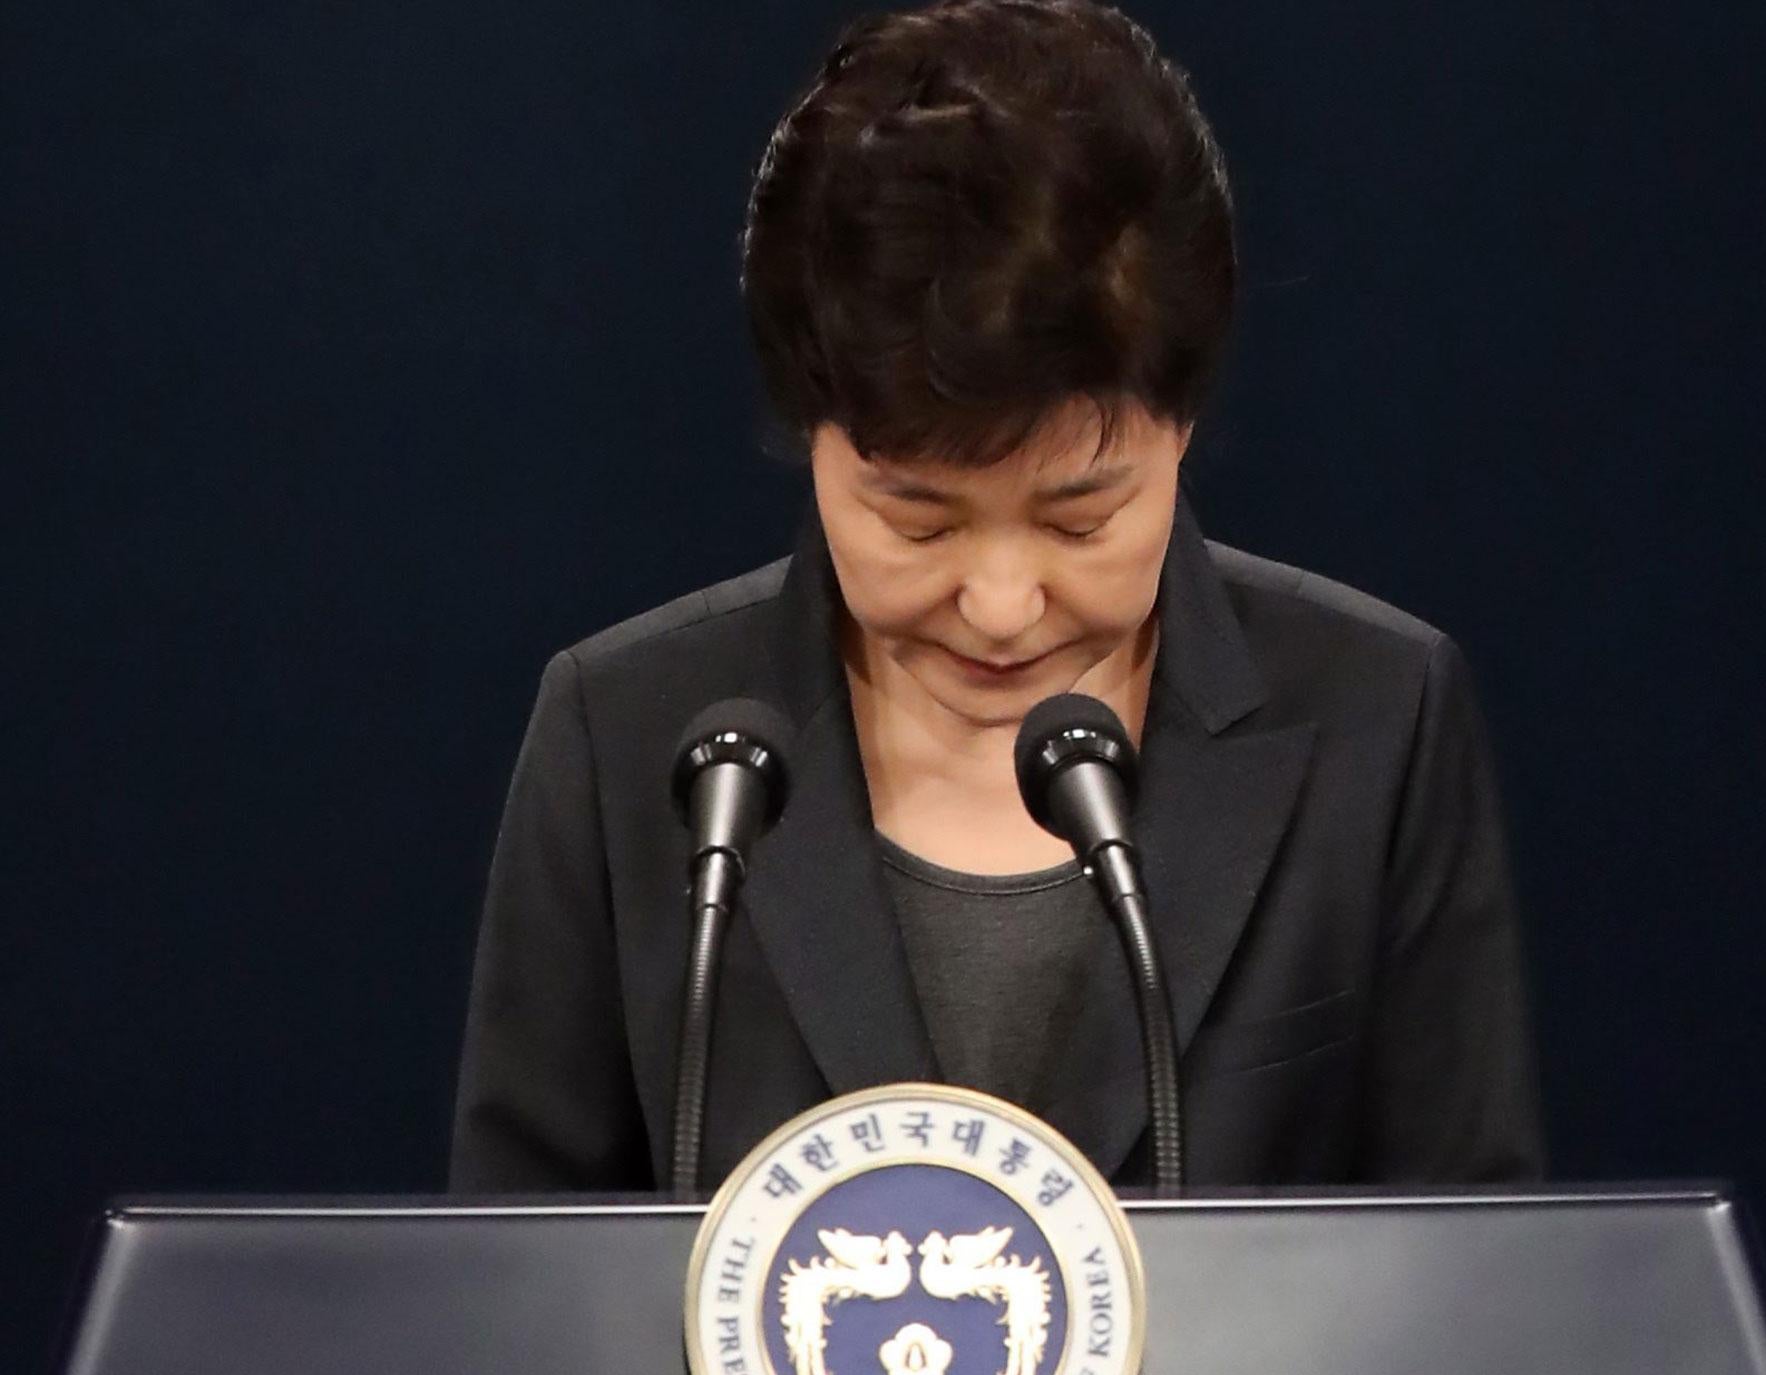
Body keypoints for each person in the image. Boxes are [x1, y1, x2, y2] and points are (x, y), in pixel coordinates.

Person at [448, 0, 1543, 1194]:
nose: (1003, 603)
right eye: (917, 520)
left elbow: (1470, 1280)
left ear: (1182, 426)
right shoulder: (623, 737)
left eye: (1081, 519)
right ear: (809, 433)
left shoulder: (1376, 720)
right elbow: (520, 1295)